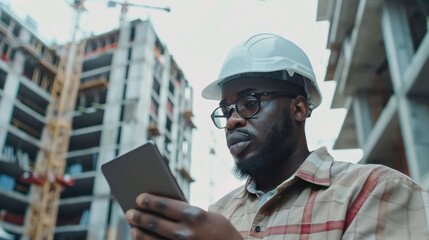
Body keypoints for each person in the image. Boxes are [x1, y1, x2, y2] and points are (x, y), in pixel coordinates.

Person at [125, 34, 429, 239]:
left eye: (249, 102)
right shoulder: (218, 213)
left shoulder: (375, 191)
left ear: (299, 108)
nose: (231, 120)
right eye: (226, 109)